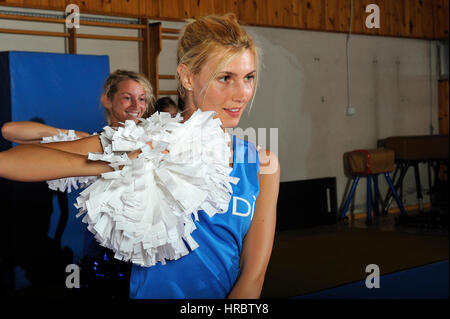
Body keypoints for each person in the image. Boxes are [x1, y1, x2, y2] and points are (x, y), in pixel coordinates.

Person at [0, 13, 280, 299]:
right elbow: (10, 162)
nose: (242, 93)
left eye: (248, 78)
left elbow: (253, 276)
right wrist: (111, 163)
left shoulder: (262, 163)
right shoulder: (142, 138)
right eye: (225, 78)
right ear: (187, 76)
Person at [1, 69, 153, 144]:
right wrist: (70, 136)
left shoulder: (155, 139)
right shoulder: (92, 141)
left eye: (141, 99)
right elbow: (9, 131)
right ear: (107, 101)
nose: (135, 105)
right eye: (127, 97)